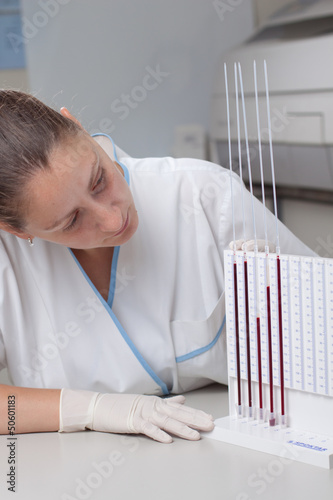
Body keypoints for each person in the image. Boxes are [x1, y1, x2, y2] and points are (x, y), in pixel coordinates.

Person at [0, 91, 314, 443]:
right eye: (71, 220)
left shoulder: (205, 196)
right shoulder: (5, 261)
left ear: (79, 127)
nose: (113, 217)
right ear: (15, 230)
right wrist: (90, 409)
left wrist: (280, 303)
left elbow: (325, 323)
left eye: (99, 180)